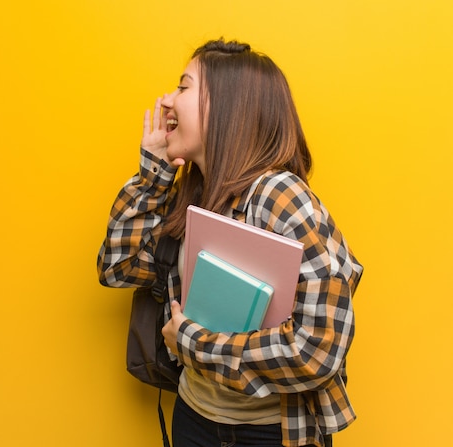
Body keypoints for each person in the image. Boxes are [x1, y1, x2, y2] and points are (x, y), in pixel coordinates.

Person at [97, 38, 363, 447]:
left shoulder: (280, 196)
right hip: (193, 418)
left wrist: (192, 342)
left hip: (269, 435)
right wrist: (154, 174)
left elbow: (318, 349)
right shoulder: (193, 195)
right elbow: (117, 267)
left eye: (183, 87)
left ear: (225, 106)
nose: (166, 100)